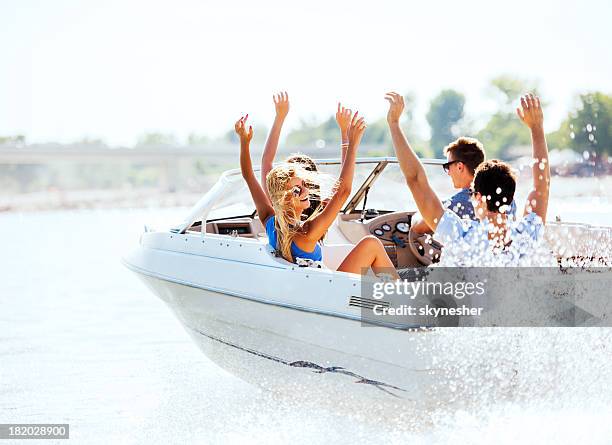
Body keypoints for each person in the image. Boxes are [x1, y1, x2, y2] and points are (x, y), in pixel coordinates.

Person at [385, 92, 550, 264]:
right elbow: (542, 188)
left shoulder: (461, 235)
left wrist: (394, 123)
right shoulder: (528, 232)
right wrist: (537, 127)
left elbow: (415, 179)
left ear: (478, 197)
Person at [235, 107, 399, 278]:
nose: (306, 190)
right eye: (297, 189)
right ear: (285, 200)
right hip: (330, 292)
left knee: (370, 245)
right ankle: (403, 298)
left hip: (311, 287)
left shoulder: (271, 223)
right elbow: (343, 191)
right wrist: (352, 143)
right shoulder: (307, 232)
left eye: (304, 184)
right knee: (371, 244)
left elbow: (248, 176)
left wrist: (244, 142)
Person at [260, 92, 351, 217]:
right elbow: (343, 187)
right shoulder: (321, 213)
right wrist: (345, 132)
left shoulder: (277, 208)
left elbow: (266, 160)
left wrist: (280, 117)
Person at [411, 137, 516, 234]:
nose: (448, 172)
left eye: (448, 166)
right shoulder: (506, 197)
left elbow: (418, 227)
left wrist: (419, 213)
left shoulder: (457, 203)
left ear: (460, 167)